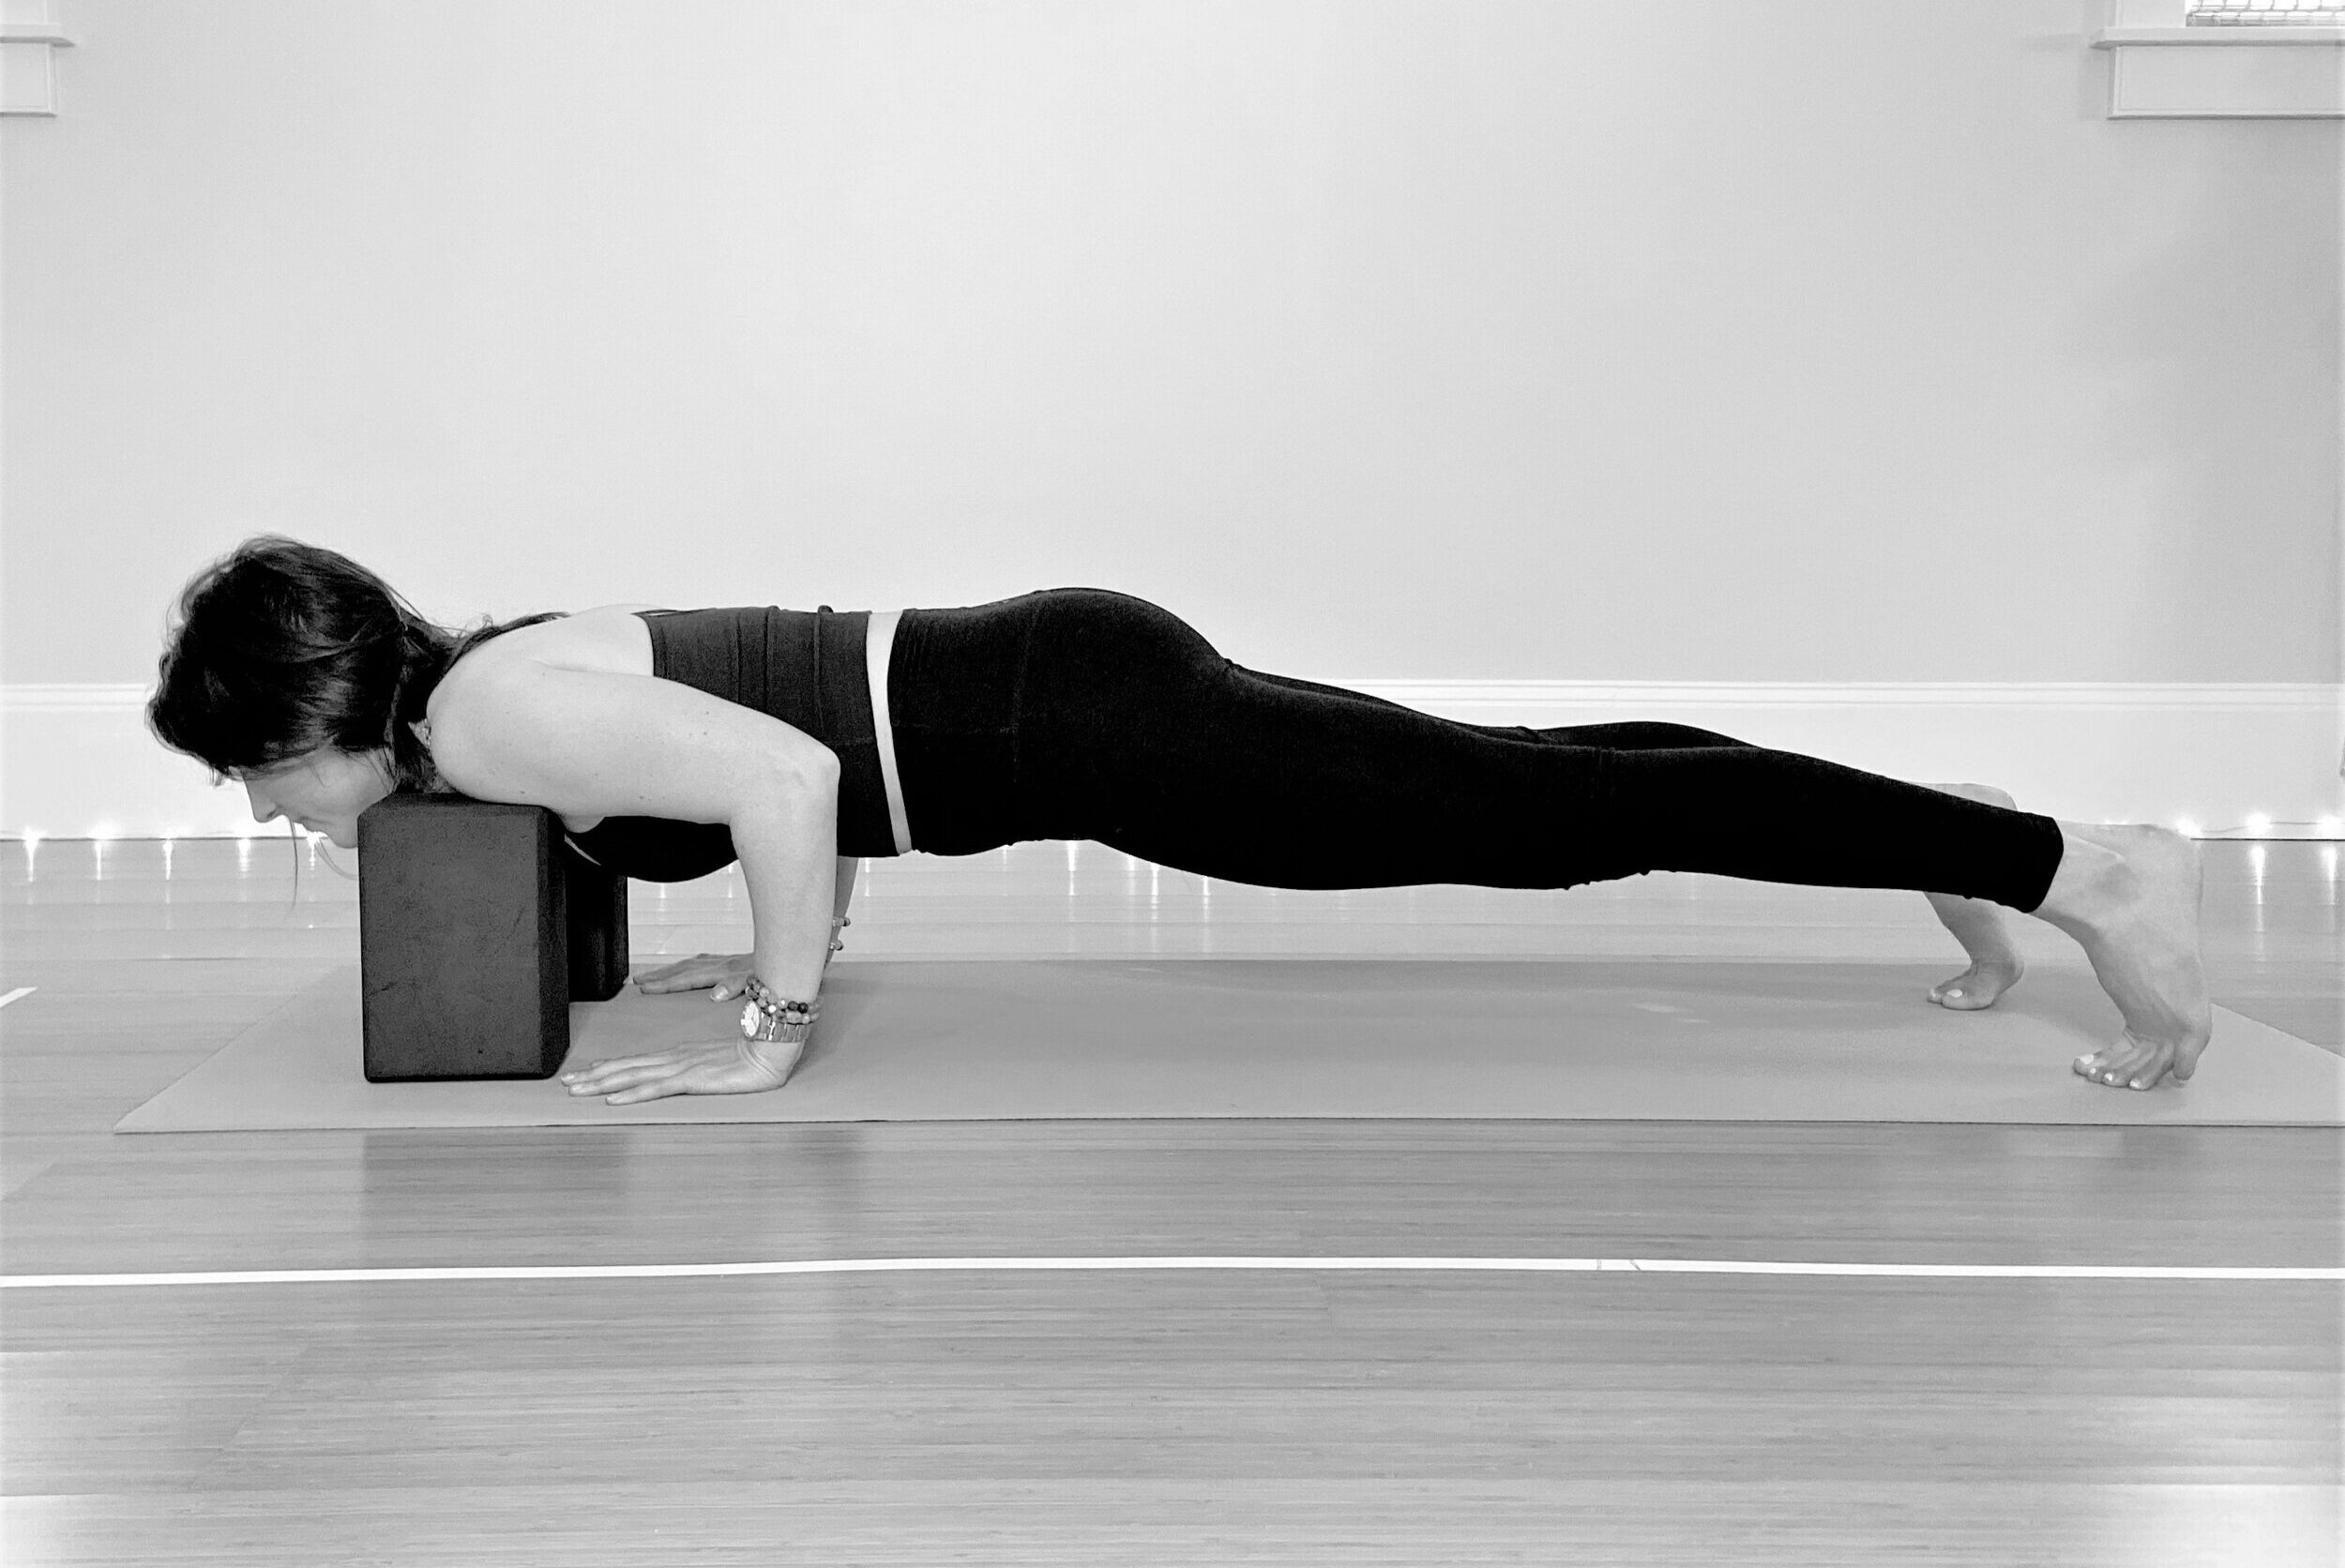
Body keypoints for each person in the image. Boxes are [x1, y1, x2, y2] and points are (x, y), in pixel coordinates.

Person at [147, 535, 2213, 1105]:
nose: (261, 804)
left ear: (320, 712)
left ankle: (2066, 870)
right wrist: (752, 939)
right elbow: (779, 769)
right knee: (1531, 771)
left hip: (1086, 723)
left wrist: (764, 1041)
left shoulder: (492, 713)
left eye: (253, 766)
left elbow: (791, 780)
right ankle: (1942, 820)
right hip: (1073, 677)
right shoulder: (490, 699)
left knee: (1538, 818)